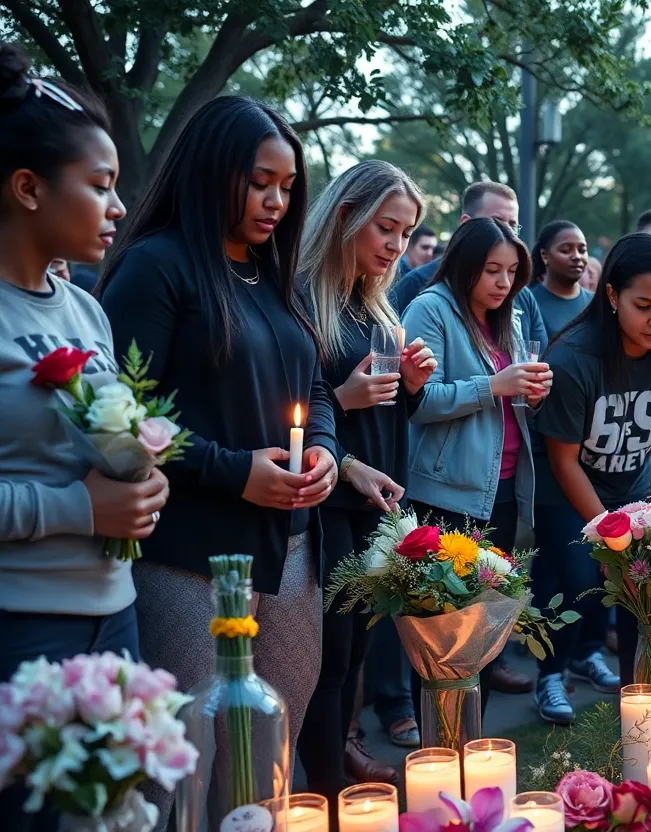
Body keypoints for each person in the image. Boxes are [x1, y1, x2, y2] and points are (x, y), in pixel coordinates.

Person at [97, 97, 340, 826]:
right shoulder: (157, 266)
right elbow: (123, 412)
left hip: (288, 551)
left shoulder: (274, 274)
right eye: (259, 182)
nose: (276, 202)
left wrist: (325, 450)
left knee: (270, 753)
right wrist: (235, 471)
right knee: (184, 763)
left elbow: (316, 387)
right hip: (189, 554)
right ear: (211, 172)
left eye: (287, 187)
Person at [0, 44, 171, 830]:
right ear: (28, 187)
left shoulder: (86, 310)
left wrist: (146, 476)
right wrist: (80, 509)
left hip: (116, 617)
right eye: (100, 185)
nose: (118, 207)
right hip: (22, 630)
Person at [294, 161, 437, 814]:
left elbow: (389, 409)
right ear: (345, 215)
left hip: (377, 498)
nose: (396, 245)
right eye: (387, 228)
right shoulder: (303, 295)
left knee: (355, 650)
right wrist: (344, 399)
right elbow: (295, 406)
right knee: (328, 658)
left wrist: (411, 387)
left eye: (405, 233)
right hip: (327, 498)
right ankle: (322, 791)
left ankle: (341, 757)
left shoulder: (375, 304)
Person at [532, 232, 651, 721]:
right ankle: (550, 674)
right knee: (578, 579)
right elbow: (564, 460)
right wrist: (610, 533)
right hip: (567, 488)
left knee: (645, 579)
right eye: (644, 306)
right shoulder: (572, 357)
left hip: (633, 485)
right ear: (612, 296)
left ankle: (642, 694)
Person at [391, 180, 542, 697]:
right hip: (447, 491)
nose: (503, 282)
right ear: (465, 263)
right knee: (440, 631)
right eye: (492, 270)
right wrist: (493, 385)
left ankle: (475, 731)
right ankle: (438, 728)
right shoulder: (430, 308)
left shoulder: (508, 317)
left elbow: (510, 399)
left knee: (485, 620)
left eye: (511, 272)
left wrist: (531, 395)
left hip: (504, 486)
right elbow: (418, 402)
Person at [390, 181, 546, 356]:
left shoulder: (522, 295)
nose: (506, 232)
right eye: (497, 222)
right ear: (466, 224)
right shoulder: (418, 288)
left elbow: (540, 357)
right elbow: (392, 356)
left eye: (513, 226)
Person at [531, 220, 592, 337]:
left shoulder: (597, 303)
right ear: (544, 255)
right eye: (566, 250)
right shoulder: (528, 302)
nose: (577, 257)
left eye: (582, 250)